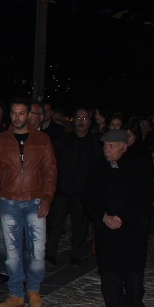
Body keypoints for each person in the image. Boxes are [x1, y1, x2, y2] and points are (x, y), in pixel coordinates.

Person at [0, 99, 57, 307]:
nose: (17, 117)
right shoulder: (1, 140)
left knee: (38, 249)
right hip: (8, 201)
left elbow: (50, 172)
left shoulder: (42, 140)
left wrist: (47, 198)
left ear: (29, 115)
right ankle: (16, 293)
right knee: (12, 252)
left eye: (21, 113)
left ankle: (33, 289)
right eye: (14, 113)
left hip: (34, 201)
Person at [83, 129, 152, 307]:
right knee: (109, 274)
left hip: (132, 230)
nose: (107, 150)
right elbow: (88, 196)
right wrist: (103, 217)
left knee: (133, 275)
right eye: (105, 146)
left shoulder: (137, 168)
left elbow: (143, 199)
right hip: (107, 229)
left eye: (111, 146)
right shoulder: (97, 167)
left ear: (123, 147)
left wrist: (124, 219)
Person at [46, 107, 99, 266]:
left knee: (80, 227)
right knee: (56, 224)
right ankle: (50, 253)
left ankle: (76, 255)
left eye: (84, 119)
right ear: (74, 121)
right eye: (78, 118)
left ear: (89, 122)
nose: (81, 122)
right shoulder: (64, 140)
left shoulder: (94, 143)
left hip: (82, 192)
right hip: (63, 190)